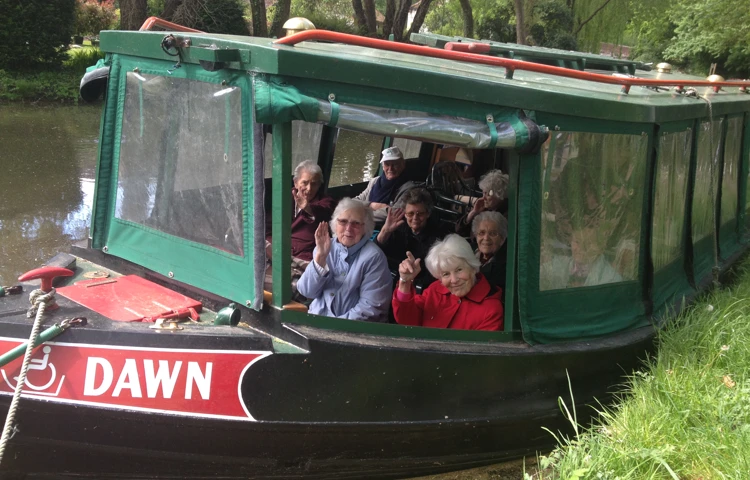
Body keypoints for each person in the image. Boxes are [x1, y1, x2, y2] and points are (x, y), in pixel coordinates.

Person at [297, 198, 392, 321]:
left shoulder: (374, 257)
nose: (348, 228)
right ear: (335, 224)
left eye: (356, 223)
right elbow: (307, 292)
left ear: (366, 227)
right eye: (343, 221)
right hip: (316, 320)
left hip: (351, 330)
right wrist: (320, 257)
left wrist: (332, 327)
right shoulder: (325, 246)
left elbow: (371, 308)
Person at [392, 234, 503, 331]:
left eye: (459, 270)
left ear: (473, 267)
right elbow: (406, 319)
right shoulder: (435, 290)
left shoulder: (491, 309)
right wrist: (405, 282)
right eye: (446, 274)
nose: (454, 280)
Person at [264, 160, 336, 300]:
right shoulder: (283, 198)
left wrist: (307, 207)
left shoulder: (326, 202)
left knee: (296, 288)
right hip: (277, 249)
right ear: (296, 183)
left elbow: (323, 211)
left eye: (314, 184)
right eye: (305, 183)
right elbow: (268, 226)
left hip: (301, 257)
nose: (309, 188)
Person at [375, 188, 443, 289]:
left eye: (420, 214)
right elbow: (376, 253)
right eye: (410, 214)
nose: (415, 218)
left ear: (428, 214)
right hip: (393, 278)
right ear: (405, 214)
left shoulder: (437, 236)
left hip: (421, 286)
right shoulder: (398, 227)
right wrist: (385, 231)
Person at [355, 146, 417, 225]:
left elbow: (394, 213)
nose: (390, 168)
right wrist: (372, 205)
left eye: (395, 164)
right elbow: (354, 201)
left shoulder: (409, 188)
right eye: (387, 164)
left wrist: (360, 213)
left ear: (403, 165)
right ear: (383, 166)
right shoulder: (374, 181)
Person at [456, 169, 509, 237]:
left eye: (488, 194)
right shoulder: (485, 208)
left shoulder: (504, 216)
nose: (483, 198)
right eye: (483, 193)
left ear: (500, 195)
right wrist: (473, 212)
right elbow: (459, 230)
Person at [472, 211, 508, 290]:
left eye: (492, 233)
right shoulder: (469, 253)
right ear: (476, 236)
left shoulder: (505, 267)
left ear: (502, 238)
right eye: (482, 233)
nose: (486, 238)